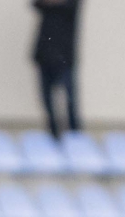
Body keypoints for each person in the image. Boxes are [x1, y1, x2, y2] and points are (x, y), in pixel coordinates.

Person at [31, 0, 80, 140]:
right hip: (44, 54)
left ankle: (75, 136)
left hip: (64, 56)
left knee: (69, 100)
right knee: (47, 100)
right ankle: (53, 134)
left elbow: (68, 6)